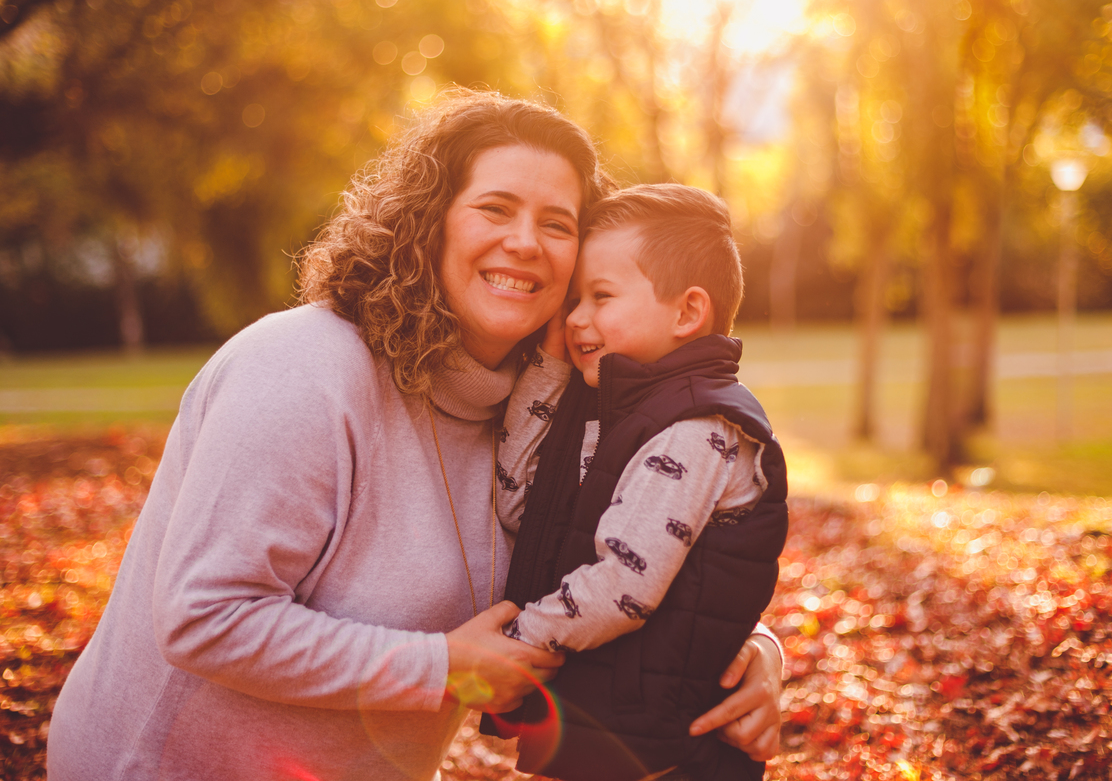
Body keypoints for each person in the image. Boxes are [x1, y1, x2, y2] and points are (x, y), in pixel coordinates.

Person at [46, 91, 782, 781]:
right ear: (428, 220)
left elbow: (620, 555)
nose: (525, 241)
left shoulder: (542, 410)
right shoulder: (302, 369)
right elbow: (205, 619)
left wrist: (748, 654)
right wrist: (446, 669)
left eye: (557, 223)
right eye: (495, 208)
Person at [487, 184, 789, 781]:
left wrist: (511, 645)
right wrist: (548, 367)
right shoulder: (614, 412)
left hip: (669, 751)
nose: (574, 318)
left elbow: (624, 586)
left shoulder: (698, 427)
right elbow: (521, 501)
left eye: (600, 296)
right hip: (604, 731)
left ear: (686, 312)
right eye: (574, 300)